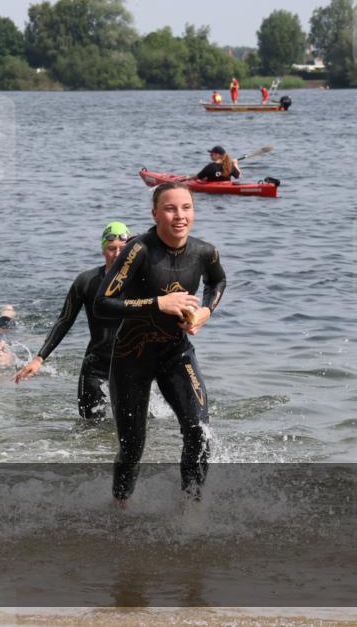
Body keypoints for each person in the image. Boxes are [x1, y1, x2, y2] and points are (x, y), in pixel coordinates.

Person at [94, 181, 226, 506]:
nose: (179, 216)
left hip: (175, 352)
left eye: (186, 208)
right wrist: (159, 304)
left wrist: (206, 311)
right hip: (131, 357)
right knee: (133, 446)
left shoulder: (205, 252)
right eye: (170, 208)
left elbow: (218, 280)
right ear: (155, 214)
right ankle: (119, 504)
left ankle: (191, 509)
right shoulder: (138, 251)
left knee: (199, 430)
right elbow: (102, 303)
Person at [14, 221, 130, 419]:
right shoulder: (86, 281)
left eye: (122, 249)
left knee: (138, 427)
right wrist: (39, 358)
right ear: (103, 250)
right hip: (95, 367)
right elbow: (65, 320)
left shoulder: (141, 281)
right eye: (111, 248)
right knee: (90, 429)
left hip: (131, 365)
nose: (117, 254)